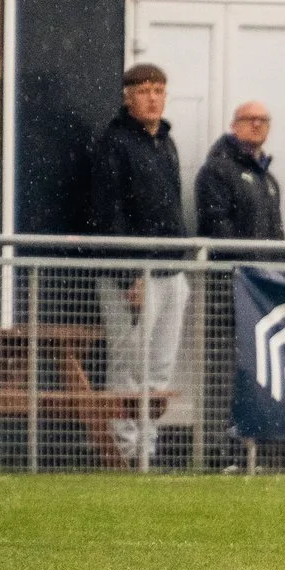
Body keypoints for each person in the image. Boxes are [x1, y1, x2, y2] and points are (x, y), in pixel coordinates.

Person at [87, 62, 189, 467]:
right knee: (129, 366)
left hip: (171, 273)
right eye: (145, 90)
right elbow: (107, 214)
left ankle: (147, 451)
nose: (153, 98)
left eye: (160, 90)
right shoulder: (113, 144)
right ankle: (123, 454)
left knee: (161, 368)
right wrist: (131, 274)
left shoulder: (166, 143)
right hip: (133, 278)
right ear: (128, 96)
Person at [195, 101, 284, 243]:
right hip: (234, 264)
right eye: (249, 119)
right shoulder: (217, 170)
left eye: (263, 120)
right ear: (234, 126)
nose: (257, 124)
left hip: (268, 265)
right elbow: (217, 226)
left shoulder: (269, 179)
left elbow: (277, 233)